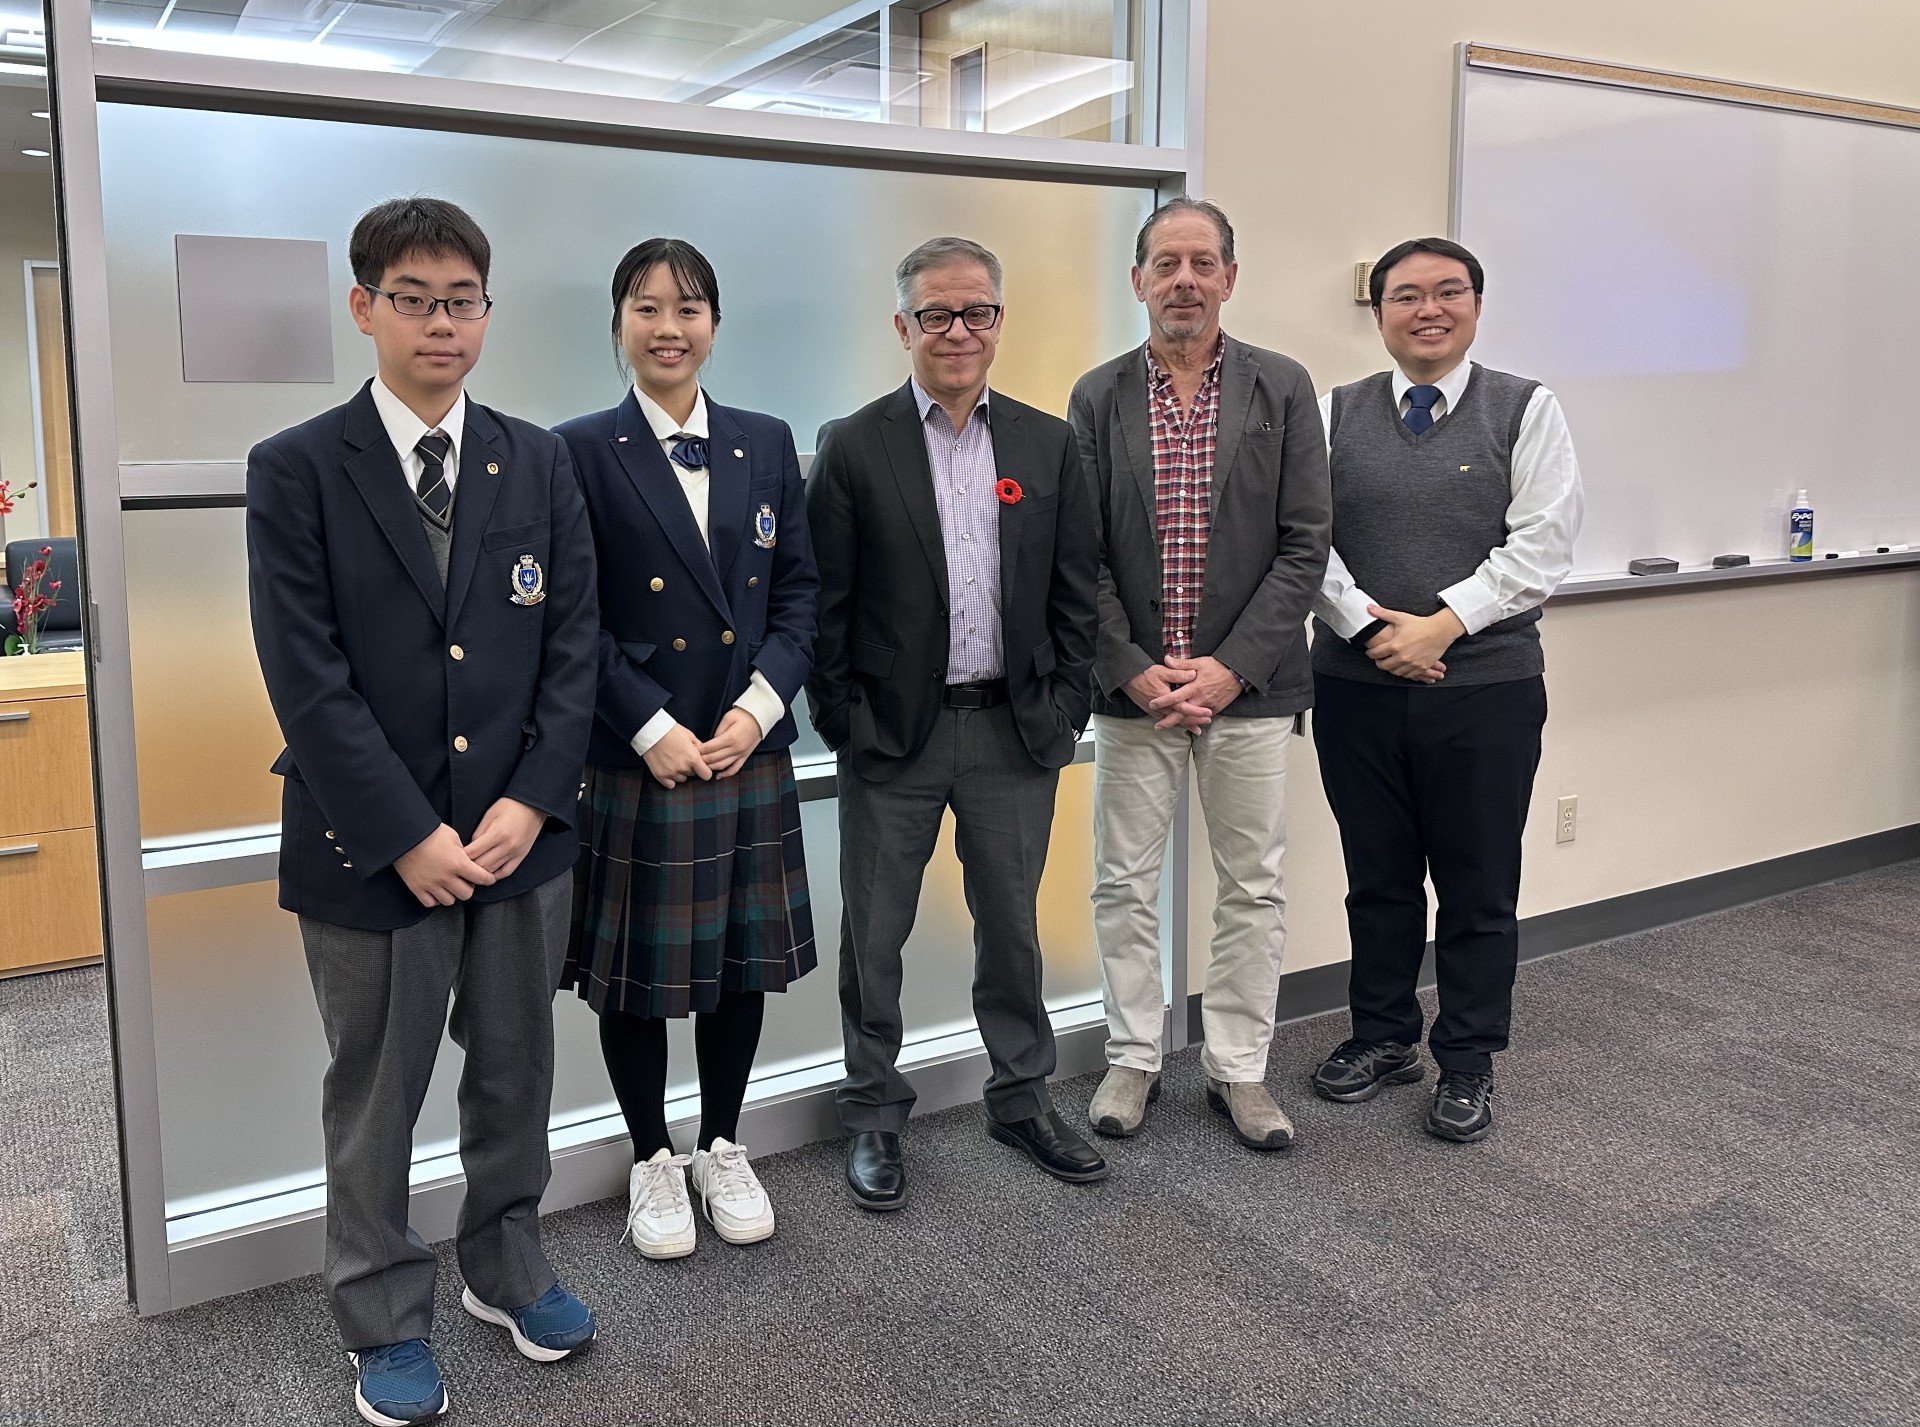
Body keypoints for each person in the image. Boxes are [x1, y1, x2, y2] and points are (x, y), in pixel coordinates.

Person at [246, 197, 599, 1427]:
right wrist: (406, 831)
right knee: (376, 1091)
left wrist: (531, 800)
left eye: (462, 300)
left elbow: (574, 650)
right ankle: (384, 1314)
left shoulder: (538, 458)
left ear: (486, 315)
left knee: (515, 1074)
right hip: (367, 850)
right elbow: (304, 670)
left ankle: (506, 1264)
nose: (441, 321)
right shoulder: (297, 466)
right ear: (364, 308)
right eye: (414, 297)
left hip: (518, 842)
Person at [806, 235, 1102, 1210]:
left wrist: (1064, 707)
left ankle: (1020, 1098)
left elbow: (1077, 595)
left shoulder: (1049, 443)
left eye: (976, 311)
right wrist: (844, 719)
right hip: (895, 738)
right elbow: (825, 605)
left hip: (1014, 735)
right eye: (936, 313)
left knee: (1013, 932)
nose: (958, 330)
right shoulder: (854, 445)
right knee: (874, 940)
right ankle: (876, 1116)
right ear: (903, 326)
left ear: (1000, 321)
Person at [555, 238, 818, 1260]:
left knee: (736, 963)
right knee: (636, 975)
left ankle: (721, 1139)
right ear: (618, 322)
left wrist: (756, 709)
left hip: (745, 744)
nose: (671, 327)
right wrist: (652, 725)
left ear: (716, 323)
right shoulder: (575, 447)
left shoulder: (765, 437)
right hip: (640, 752)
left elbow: (799, 594)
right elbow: (569, 617)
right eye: (648, 307)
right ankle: (650, 1155)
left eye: (691, 306)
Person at [1307, 236, 1584, 1143]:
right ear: (1379, 310)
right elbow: (1302, 540)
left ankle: (1468, 1058)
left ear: (1475, 303)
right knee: (1376, 877)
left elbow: (1542, 544)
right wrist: (1375, 632)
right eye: (1405, 295)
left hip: (1486, 690)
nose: (1428, 309)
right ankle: (1384, 1037)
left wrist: (1443, 624)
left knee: (1477, 884)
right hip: (1356, 686)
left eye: (1448, 292)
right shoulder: (1333, 411)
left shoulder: (1525, 409)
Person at [1070, 197, 1330, 1150]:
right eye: (1165, 263)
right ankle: (1134, 1056)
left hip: (1249, 692)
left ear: (1230, 276)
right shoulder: (1098, 396)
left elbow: (1306, 545)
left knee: (1251, 885)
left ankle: (1238, 1070)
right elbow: (1078, 556)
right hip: (1134, 692)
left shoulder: (1283, 387)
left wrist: (1229, 669)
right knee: (1122, 884)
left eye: (1203, 262)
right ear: (1137, 278)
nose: (1185, 279)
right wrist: (1134, 671)